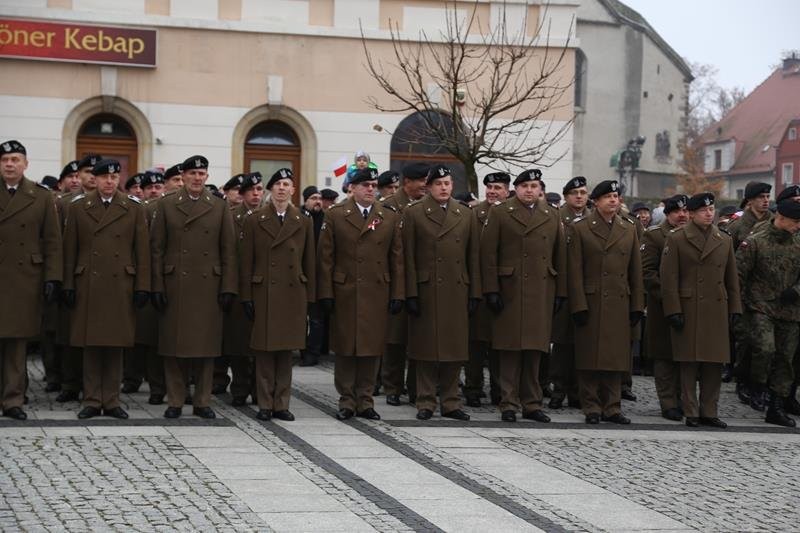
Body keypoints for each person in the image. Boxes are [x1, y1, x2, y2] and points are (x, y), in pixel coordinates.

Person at [150, 155, 237, 419]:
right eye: (193, 174)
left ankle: (202, 401)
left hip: (208, 285)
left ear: (207, 178)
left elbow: (228, 250)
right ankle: (175, 401)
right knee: (174, 347)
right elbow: (157, 249)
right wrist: (157, 286)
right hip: (176, 283)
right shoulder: (166, 205)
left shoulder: (218, 206)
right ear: (183, 177)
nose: (198, 178)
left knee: (205, 348)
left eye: (202, 174)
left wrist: (228, 287)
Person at [62, 159, 150, 419]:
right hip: (88, 282)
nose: (109, 182)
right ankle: (91, 399)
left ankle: (111, 400)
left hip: (120, 282)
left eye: (114, 177)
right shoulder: (79, 208)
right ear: (96, 180)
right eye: (104, 178)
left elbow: (142, 252)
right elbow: (70, 250)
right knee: (91, 344)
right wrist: (67, 284)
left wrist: (143, 285)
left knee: (115, 344)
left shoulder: (133, 208)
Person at [317, 168, 404, 420]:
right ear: (351, 188)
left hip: (377, 289)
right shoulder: (336, 215)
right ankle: (346, 399)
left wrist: (398, 292)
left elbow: (396, 258)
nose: (370, 189)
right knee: (346, 347)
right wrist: (325, 293)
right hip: (346, 290)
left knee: (371, 347)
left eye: (373, 185)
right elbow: (325, 258)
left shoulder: (387, 216)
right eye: (364, 184)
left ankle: (365, 400)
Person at [480, 169, 566, 422]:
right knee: (510, 350)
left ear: (540, 189)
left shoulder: (551, 215)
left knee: (534, 350)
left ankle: (532, 403)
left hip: (541, 290)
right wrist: (491, 289)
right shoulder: (500, 212)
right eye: (525, 185)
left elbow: (560, 256)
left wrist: (560, 292)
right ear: (515, 189)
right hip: (510, 290)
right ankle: (508, 402)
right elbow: (488, 255)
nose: (530, 190)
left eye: (534, 185)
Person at [403, 164, 480, 420]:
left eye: (447, 183)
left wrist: (475, 293)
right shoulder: (414, 213)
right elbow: (408, 257)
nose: (444, 188)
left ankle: (451, 401)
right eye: (438, 184)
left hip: (457, 288)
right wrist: (410, 293)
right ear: (429, 187)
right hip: (427, 289)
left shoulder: (465, 214)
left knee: (454, 349)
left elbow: (473, 257)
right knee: (426, 349)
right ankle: (425, 401)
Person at [661, 192, 742, 428]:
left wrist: (735, 308)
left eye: (711, 209)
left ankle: (710, 410)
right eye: (704, 210)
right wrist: (673, 309)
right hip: (689, 306)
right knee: (689, 363)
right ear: (693, 214)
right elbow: (669, 278)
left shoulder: (723, 239)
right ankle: (691, 410)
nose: (709, 213)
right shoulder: (677, 238)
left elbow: (731, 279)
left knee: (714, 363)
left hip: (716, 307)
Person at [239, 168, 314, 421]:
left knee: (285, 352)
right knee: (264, 351)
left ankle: (282, 403)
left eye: (287, 184)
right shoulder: (255, 219)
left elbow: (309, 262)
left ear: (293, 190)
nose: (282, 188)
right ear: (271, 190)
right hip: (264, 292)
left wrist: (310, 298)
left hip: (293, 291)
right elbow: (246, 262)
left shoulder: (303, 221)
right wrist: (247, 296)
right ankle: (265, 404)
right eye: (278, 184)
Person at [567, 179, 644, 424]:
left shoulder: (628, 228)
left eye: (616, 196)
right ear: (596, 201)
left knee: (615, 357)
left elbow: (636, 272)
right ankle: (591, 406)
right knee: (590, 356)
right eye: (608, 196)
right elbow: (575, 270)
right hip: (592, 299)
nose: (613, 200)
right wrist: (578, 304)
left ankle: (612, 406)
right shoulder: (580, 228)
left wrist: (637, 306)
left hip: (619, 300)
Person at [0, 140, 62, 420]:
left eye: (15, 159)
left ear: (26, 164)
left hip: (25, 279)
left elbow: (52, 241)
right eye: (5, 160)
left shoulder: (40, 196)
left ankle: (13, 399)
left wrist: (52, 278)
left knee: (16, 343)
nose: (9, 164)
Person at [735, 199, 800, 427]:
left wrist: (796, 290)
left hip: (791, 311)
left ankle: (776, 406)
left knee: (786, 359)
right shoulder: (755, 242)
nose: (798, 226)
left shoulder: (798, 242)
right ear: (781, 218)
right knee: (765, 348)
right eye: (795, 222)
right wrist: (738, 309)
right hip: (760, 306)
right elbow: (738, 276)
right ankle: (756, 385)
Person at [54, 153, 103, 403]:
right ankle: (70, 383)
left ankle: (95, 386)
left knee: (97, 334)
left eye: (96, 173)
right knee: (70, 333)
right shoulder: (65, 203)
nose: (91, 177)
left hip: (102, 278)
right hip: (73, 274)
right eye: (86, 173)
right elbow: (58, 243)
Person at [380, 162, 429, 406]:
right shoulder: (388, 206)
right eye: (420, 181)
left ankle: (416, 388)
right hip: (396, 278)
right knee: (395, 338)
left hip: (421, 278)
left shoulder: (426, 206)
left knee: (420, 338)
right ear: (407, 181)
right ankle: (392, 386)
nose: (424, 185)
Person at [640, 194, 689, 421]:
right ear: (668, 214)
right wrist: (669, 298)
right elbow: (648, 273)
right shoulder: (654, 236)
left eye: (686, 211)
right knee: (664, 356)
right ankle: (668, 403)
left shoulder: (691, 234)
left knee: (684, 355)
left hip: (689, 305)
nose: (682, 215)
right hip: (662, 306)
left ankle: (684, 400)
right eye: (677, 211)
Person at [464, 172, 510, 407]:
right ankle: (472, 388)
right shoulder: (473, 214)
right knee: (475, 343)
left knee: (500, 345)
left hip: (507, 290)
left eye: (498, 187)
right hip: (479, 289)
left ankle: (499, 390)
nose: (492, 191)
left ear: (507, 191)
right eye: (490, 187)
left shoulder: (512, 213)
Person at [727, 181, 772, 407]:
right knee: (744, 339)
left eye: (767, 196)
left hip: (768, 294)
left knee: (765, 344)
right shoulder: (737, 226)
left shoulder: (775, 222)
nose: (766, 200)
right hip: (743, 292)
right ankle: (742, 380)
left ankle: (760, 385)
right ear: (750, 199)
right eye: (761, 196)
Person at [222, 172, 263, 406]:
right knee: (238, 344)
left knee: (260, 344)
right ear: (243, 194)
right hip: (238, 289)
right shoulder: (230, 217)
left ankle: (259, 390)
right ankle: (239, 389)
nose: (256, 194)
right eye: (251, 191)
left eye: (259, 190)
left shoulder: (268, 216)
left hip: (263, 288)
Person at [549, 176, 590, 409]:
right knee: (562, 343)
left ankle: (577, 390)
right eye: (575, 193)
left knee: (581, 342)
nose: (579, 196)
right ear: (566, 196)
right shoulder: (556, 217)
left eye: (583, 193)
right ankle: (558, 388)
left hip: (586, 289)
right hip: (561, 288)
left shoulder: (592, 219)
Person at [300, 185, 326, 367]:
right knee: (301, 318)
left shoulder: (326, 219)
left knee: (316, 318)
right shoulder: (299, 218)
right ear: (305, 201)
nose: (317, 201)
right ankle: (302, 349)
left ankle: (314, 352)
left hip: (319, 277)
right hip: (301, 276)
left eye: (319, 198)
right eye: (313, 198)